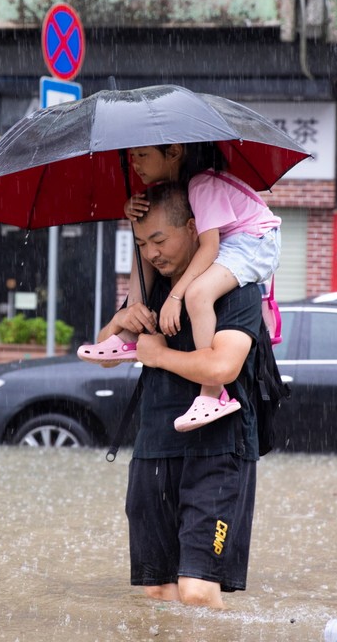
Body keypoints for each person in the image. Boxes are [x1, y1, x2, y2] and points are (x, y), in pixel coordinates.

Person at [94, 181, 264, 609]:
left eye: (159, 239)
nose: (151, 252)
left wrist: (159, 355)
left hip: (218, 449)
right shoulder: (150, 286)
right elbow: (105, 354)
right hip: (154, 446)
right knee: (158, 592)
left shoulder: (234, 286)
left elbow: (223, 367)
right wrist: (121, 321)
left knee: (197, 590)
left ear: (193, 229)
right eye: (141, 242)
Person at [77, 142, 281, 432]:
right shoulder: (181, 191)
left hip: (255, 243)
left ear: (174, 152)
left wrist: (176, 298)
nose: (135, 164)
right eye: (133, 157)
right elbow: (104, 360)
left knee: (198, 294)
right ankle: (126, 337)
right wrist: (123, 318)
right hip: (155, 447)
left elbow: (209, 247)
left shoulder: (202, 185)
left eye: (143, 155)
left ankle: (213, 394)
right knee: (152, 249)